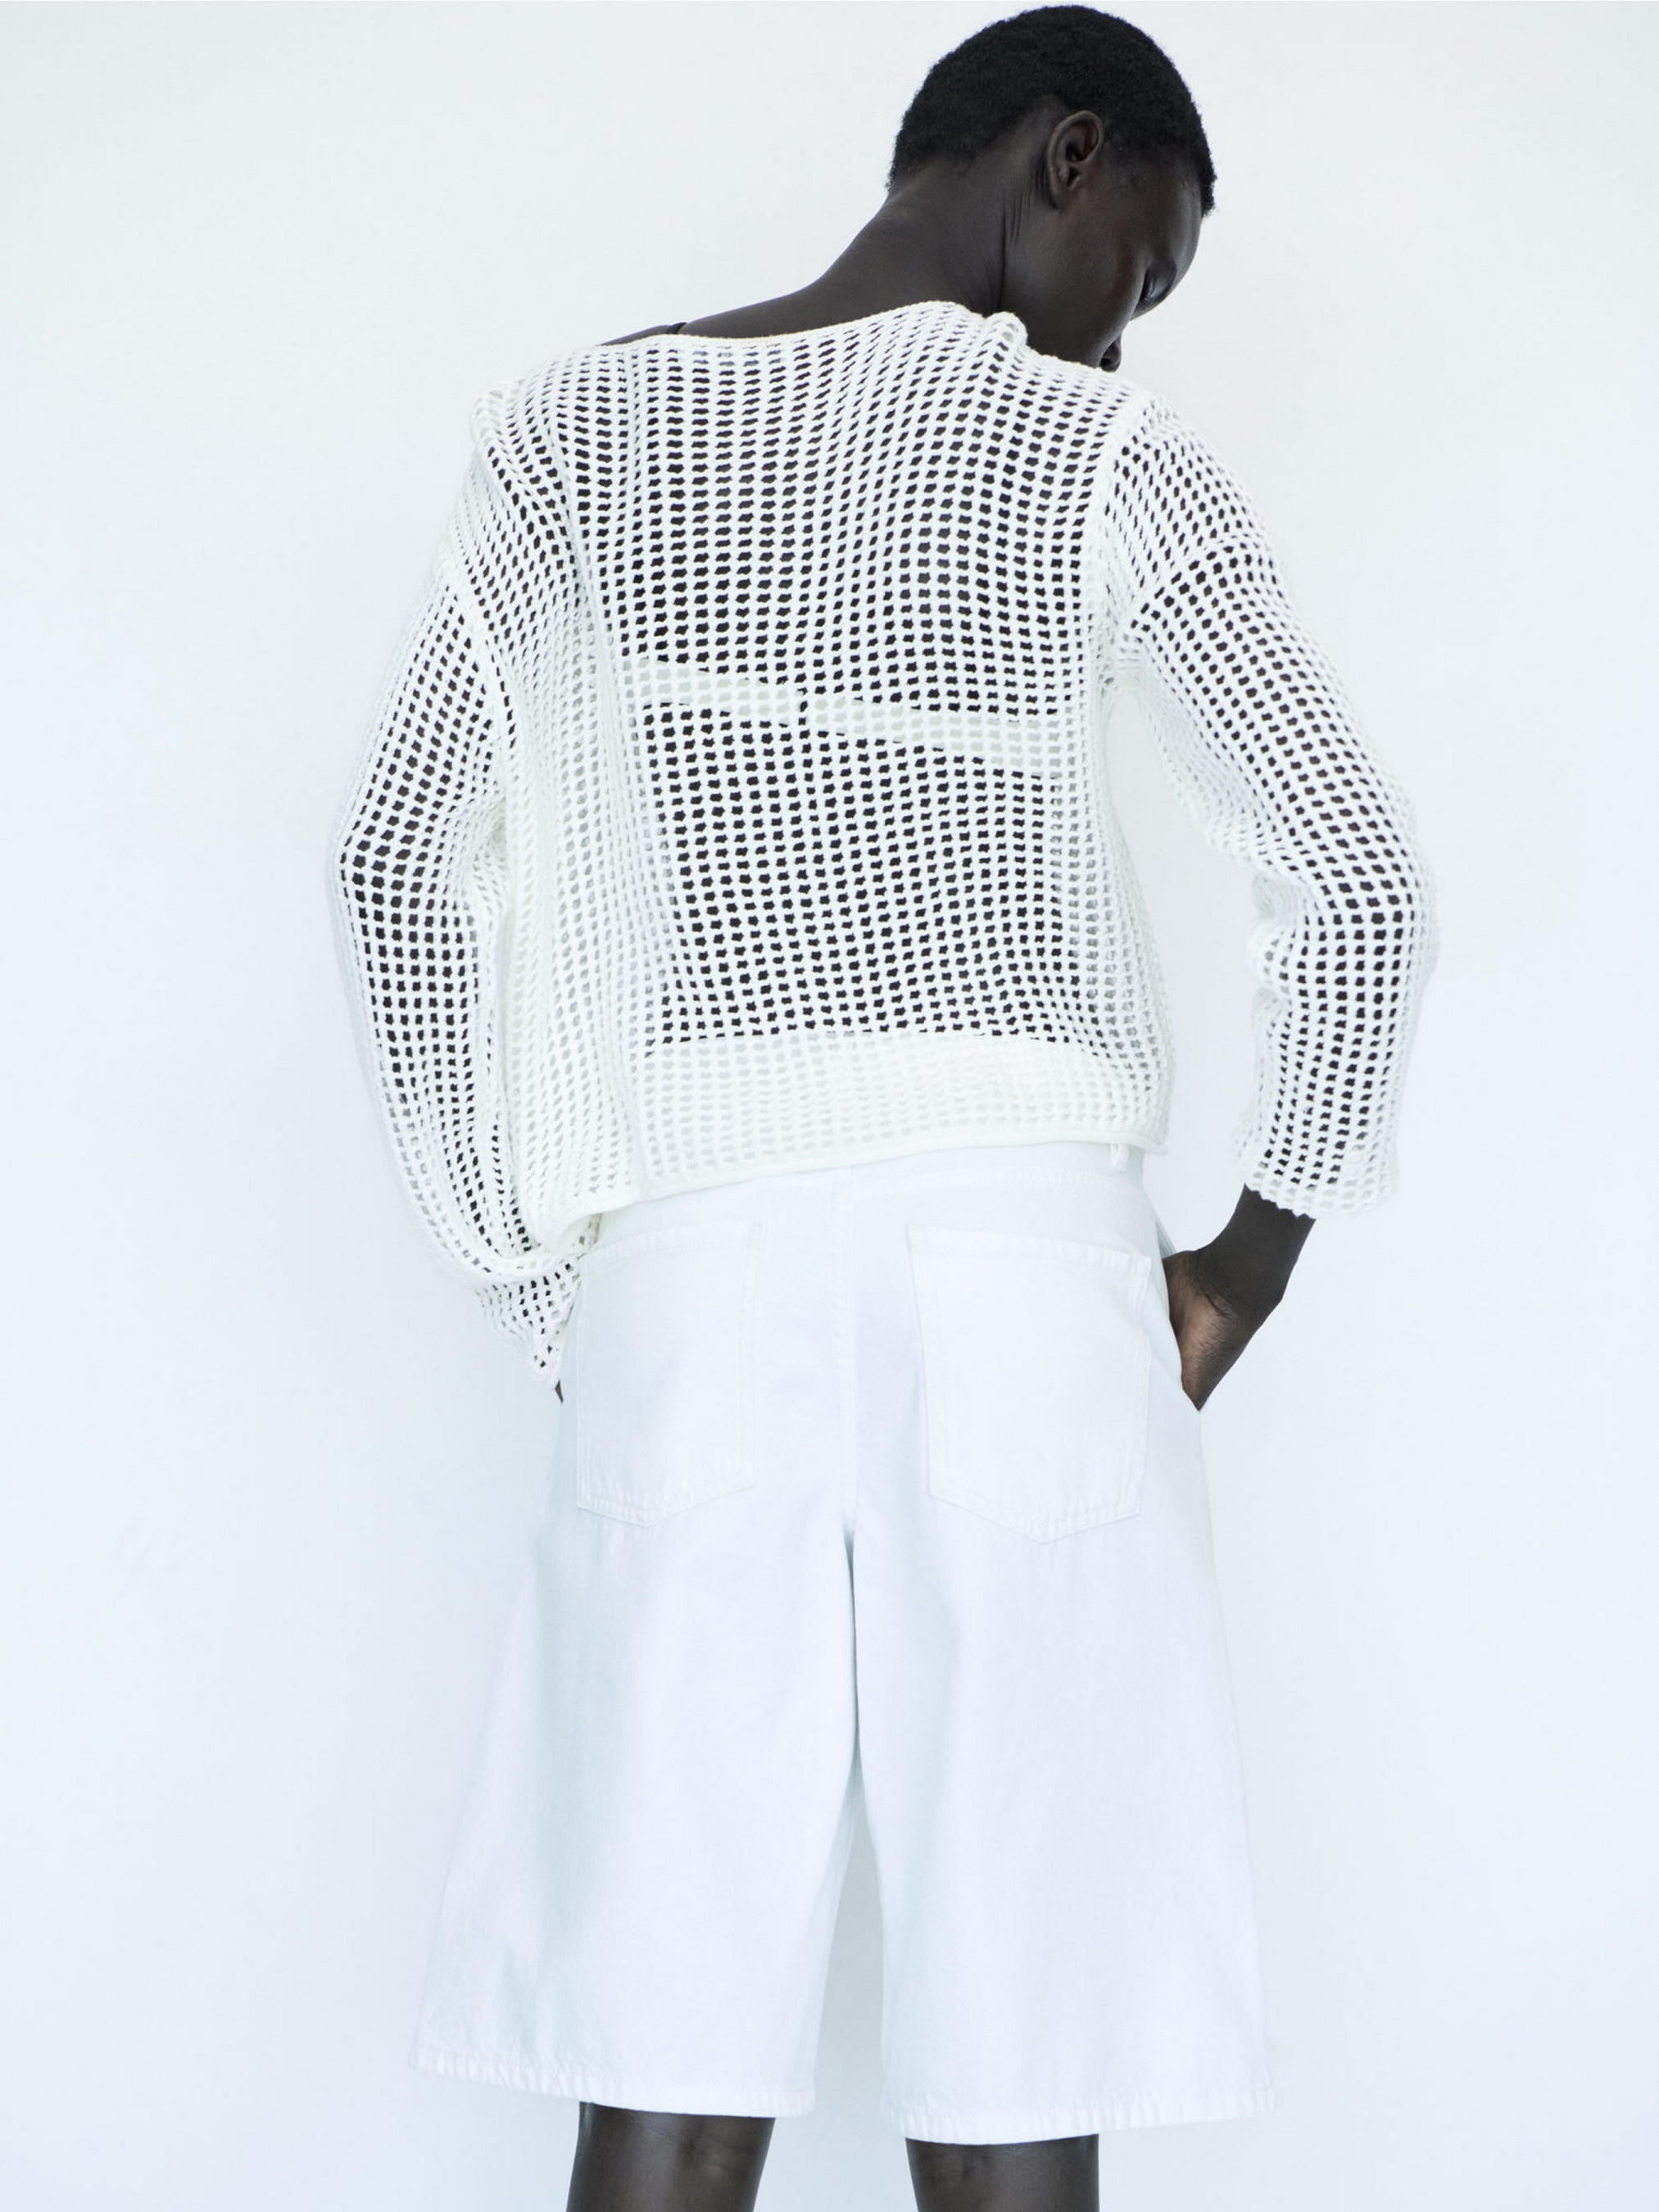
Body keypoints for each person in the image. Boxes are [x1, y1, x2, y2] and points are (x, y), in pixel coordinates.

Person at [332, 8, 1434, 2208]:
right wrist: (1243, 1264)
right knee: (1028, 2030)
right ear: (1066, 155)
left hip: (688, 1264)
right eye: (1145, 264)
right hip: (1030, 1277)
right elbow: (1355, 863)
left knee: (657, 2035)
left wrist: (538, 1280)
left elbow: (392, 861)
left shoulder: (578, 436)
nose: (1120, 332)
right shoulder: (1100, 464)